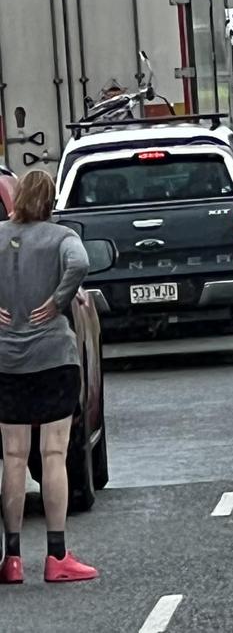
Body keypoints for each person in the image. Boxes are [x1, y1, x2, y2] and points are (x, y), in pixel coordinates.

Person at [0, 171, 97, 584]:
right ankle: (57, 555)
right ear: (51, 199)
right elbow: (82, 263)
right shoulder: (61, 237)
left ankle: (13, 558)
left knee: (13, 458)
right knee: (53, 455)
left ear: (17, 197)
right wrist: (58, 300)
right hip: (54, 358)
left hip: (6, 359)